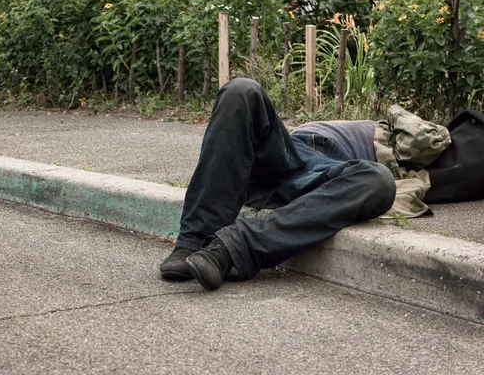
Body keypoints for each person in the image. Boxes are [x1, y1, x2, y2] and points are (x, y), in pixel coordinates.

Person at [160, 78, 396, 291]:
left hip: (326, 177)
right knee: (241, 90)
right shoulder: (401, 129)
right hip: (296, 153)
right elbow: (423, 141)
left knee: (380, 180)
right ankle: (192, 242)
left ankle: (231, 248)